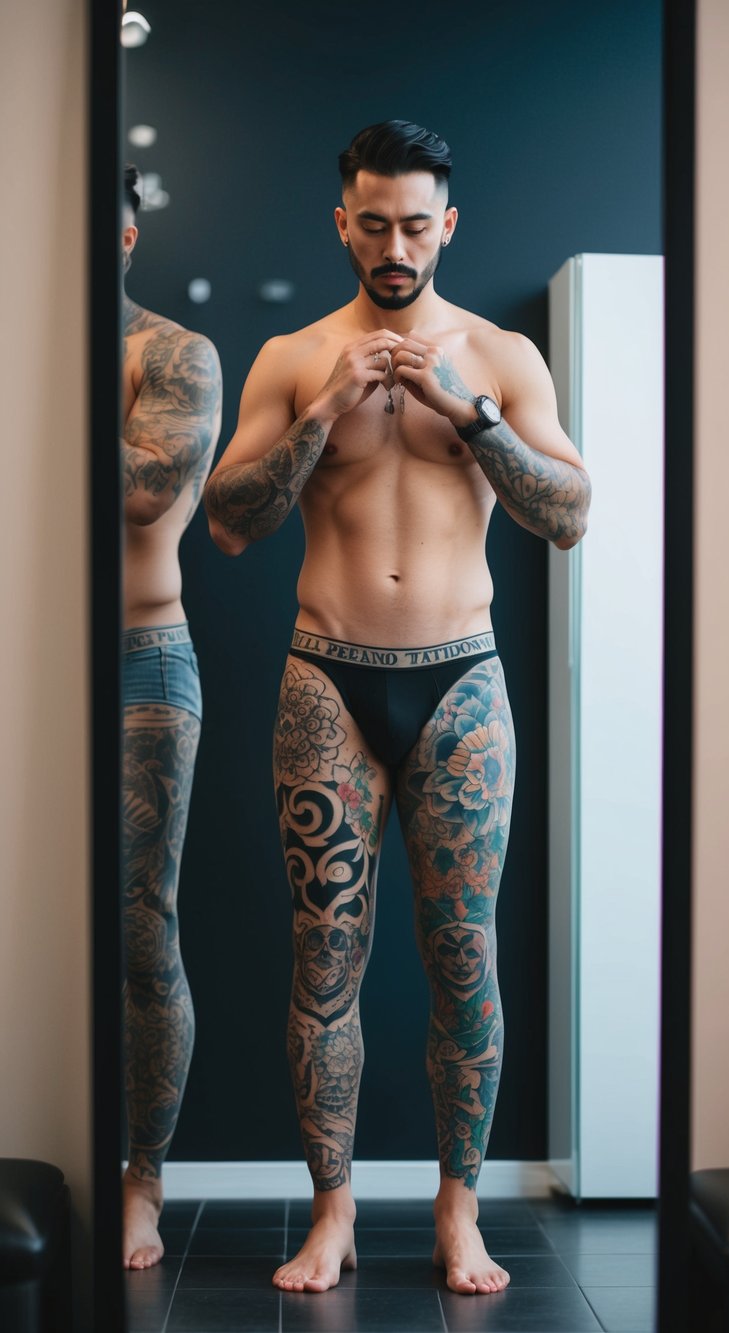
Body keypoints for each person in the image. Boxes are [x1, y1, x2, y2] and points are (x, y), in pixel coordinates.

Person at [204, 120, 590, 1296]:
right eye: (373, 224)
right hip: (328, 676)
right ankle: (333, 1214)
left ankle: (457, 1214)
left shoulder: (502, 354)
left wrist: (473, 414)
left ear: (447, 226)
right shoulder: (290, 355)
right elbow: (228, 521)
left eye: (416, 225)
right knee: (326, 959)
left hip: (463, 681)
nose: (394, 246)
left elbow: (568, 513)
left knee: (462, 957)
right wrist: (320, 415)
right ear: (343, 222)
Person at [121, 165, 222, 1269]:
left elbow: (149, 488)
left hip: (145, 658)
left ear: (129, 234)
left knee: (142, 930)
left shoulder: (176, 353)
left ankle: (143, 1175)